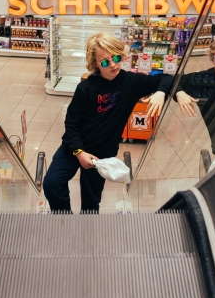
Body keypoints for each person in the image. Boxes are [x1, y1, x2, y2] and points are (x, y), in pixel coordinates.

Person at [43, 32, 173, 213]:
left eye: (116, 58)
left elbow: (167, 78)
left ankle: (88, 232)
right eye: (105, 62)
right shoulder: (85, 88)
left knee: (91, 203)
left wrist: (161, 93)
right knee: (52, 184)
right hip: (73, 148)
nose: (112, 65)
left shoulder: (130, 82)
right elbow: (71, 124)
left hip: (101, 154)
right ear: (95, 64)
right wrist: (79, 152)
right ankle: (64, 220)